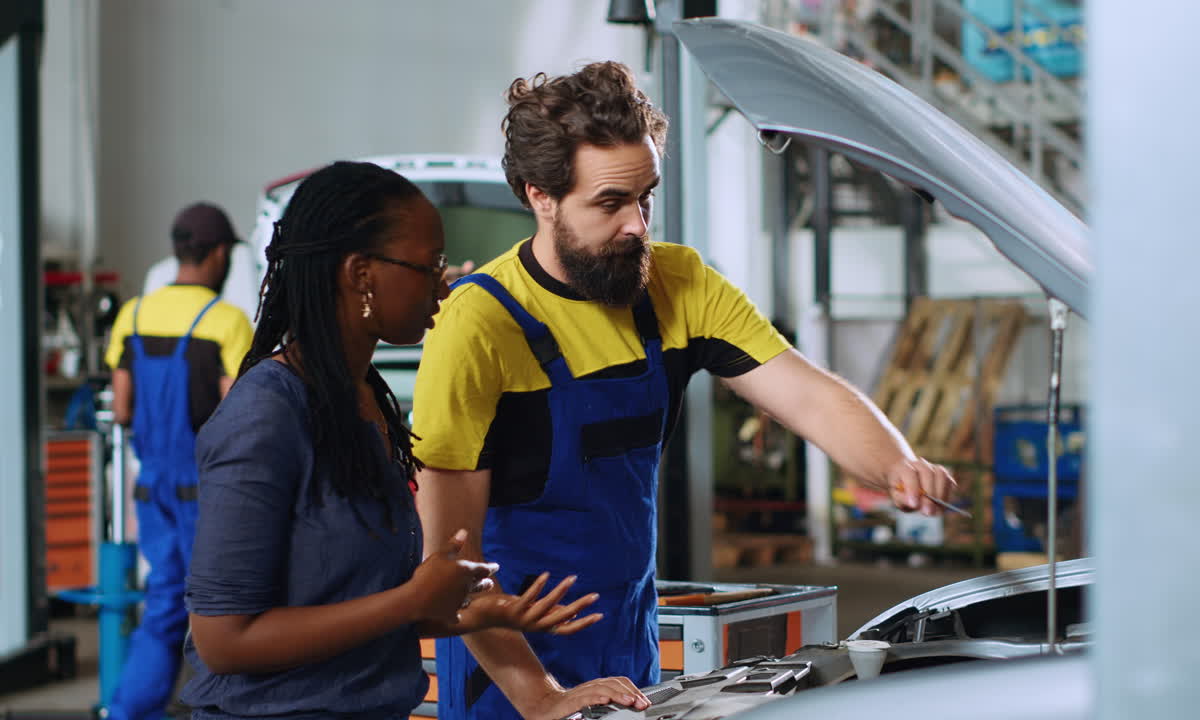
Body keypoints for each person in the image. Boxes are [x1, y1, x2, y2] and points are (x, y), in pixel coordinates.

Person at [409, 61, 958, 720]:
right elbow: (449, 560)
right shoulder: (479, 324)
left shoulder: (679, 283)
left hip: (627, 644)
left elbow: (807, 395)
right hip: (509, 671)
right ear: (540, 197)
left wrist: (897, 463)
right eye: (611, 203)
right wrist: (542, 698)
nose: (639, 225)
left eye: (647, 197)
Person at [179, 161, 608, 720]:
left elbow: (346, 604)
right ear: (360, 273)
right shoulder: (267, 414)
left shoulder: (362, 402)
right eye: (428, 265)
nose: (447, 280)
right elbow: (223, 640)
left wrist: (468, 613)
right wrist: (411, 599)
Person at [104, 202, 254, 720]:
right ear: (217, 255)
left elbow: (122, 408)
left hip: (152, 489)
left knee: (164, 603)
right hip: (208, 494)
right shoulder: (227, 322)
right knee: (227, 610)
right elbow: (243, 416)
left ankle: (128, 711)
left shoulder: (133, 313)